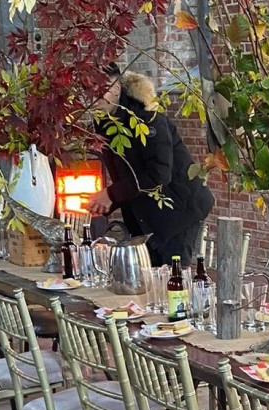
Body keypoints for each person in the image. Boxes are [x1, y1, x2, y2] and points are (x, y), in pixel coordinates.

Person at [87, 64, 214, 266]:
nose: (92, 98)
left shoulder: (147, 119)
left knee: (171, 276)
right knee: (149, 274)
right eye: (87, 90)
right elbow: (128, 176)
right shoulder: (105, 123)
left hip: (179, 207)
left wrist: (111, 195)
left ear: (116, 88)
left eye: (99, 90)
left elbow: (159, 174)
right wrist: (109, 200)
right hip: (147, 211)